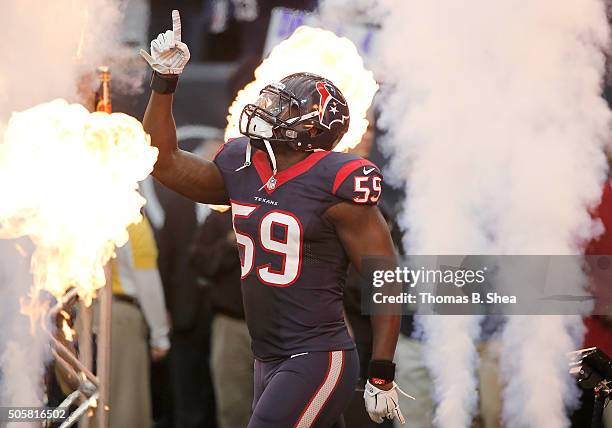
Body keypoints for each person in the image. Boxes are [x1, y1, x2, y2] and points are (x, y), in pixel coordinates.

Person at [140, 10, 404, 426]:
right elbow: (163, 160)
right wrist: (164, 81)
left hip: (318, 355)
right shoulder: (244, 166)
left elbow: (385, 279)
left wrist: (383, 370)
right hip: (267, 355)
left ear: (312, 127)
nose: (264, 110)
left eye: (281, 106)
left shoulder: (338, 182)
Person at [190, 208, 254, 428]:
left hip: (278, 324)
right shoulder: (221, 215)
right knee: (233, 408)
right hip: (231, 324)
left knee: (282, 407)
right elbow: (198, 262)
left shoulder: (285, 207)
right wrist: (228, 245)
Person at [106, 215, 170, 427]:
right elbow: (147, 282)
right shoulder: (131, 219)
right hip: (121, 317)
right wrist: (160, 335)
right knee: (126, 403)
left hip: (85, 314)